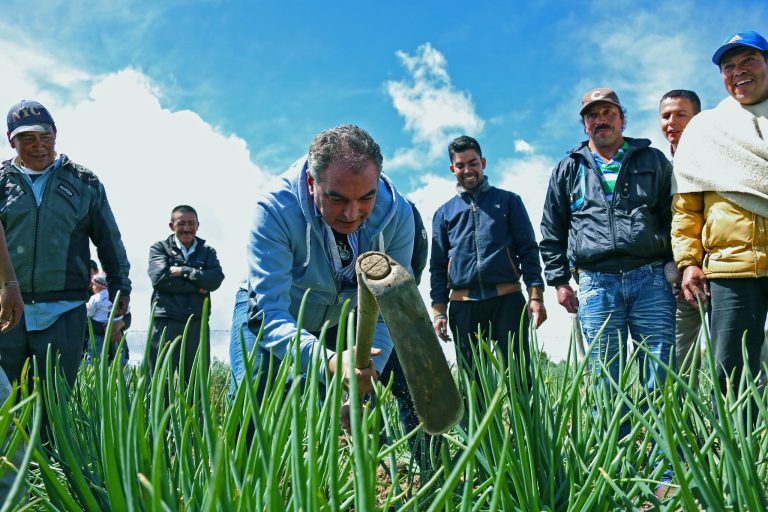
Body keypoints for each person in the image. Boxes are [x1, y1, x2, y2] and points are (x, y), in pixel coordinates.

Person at [246, 124, 415, 401]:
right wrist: (329, 362)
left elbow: (388, 310)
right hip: (276, 312)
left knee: (330, 416)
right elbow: (268, 312)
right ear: (312, 183)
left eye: (366, 198)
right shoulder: (275, 210)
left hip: (340, 316)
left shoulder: (397, 215)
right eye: (336, 199)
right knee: (254, 403)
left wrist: (361, 383)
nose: (352, 213)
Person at [540, 87, 675, 395]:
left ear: (621, 119)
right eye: (592, 115)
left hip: (651, 279)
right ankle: (618, 443)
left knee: (661, 374)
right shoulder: (568, 168)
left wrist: (673, 263)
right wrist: (559, 281)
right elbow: (552, 230)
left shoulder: (652, 160)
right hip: (596, 283)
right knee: (606, 381)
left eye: (608, 113)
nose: (600, 120)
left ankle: (665, 444)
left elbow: (672, 217)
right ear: (584, 124)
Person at [0, 100, 131, 388]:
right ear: (11, 141)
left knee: (55, 402)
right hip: (7, 309)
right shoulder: (1, 181)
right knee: (7, 403)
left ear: (55, 133)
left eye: (44, 136)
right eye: (27, 138)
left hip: (63, 309)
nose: (38, 146)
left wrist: (121, 283)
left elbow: (108, 238)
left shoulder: (84, 182)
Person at [672, 30, 768, 395]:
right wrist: (689, 263)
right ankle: (735, 452)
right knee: (731, 371)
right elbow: (686, 209)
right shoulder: (706, 130)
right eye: (729, 66)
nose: (738, 71)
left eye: (749, 61)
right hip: (731, 270)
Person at [430, 135, 546, 387]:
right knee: (473, 384)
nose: (467, 170)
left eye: (473, 163)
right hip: (463, 306)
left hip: (508, 300)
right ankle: (480, 427)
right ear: (453, 169)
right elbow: (437, 266)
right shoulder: (443, 213)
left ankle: (525, 426)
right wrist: (439, 312)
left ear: (483, 162)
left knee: (519, 378)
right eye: (461, 165)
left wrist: (536, 295)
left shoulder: (509, 201)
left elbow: (528, 250)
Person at [148, 205, 224, 382]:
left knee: (196, 382)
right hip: (166, 320)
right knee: (160, 380)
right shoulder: (159, 248)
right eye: (181, 223)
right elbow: (160, 279)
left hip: (196, 322)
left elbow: (215, 280)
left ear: (198, 225)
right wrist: (198, 285)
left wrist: (184, 271)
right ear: (171, 226)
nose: (187, 228)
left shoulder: (207, 252)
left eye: (191, 223)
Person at [659, 90, 704, 371]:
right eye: (665, 116)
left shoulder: (718, 159)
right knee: (678, 367)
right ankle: (684, 417)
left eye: (680, 115)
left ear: (697, 118)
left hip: (724, 274)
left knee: (741, 358)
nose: (671, 122)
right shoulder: (661, 169)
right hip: (679, 283)